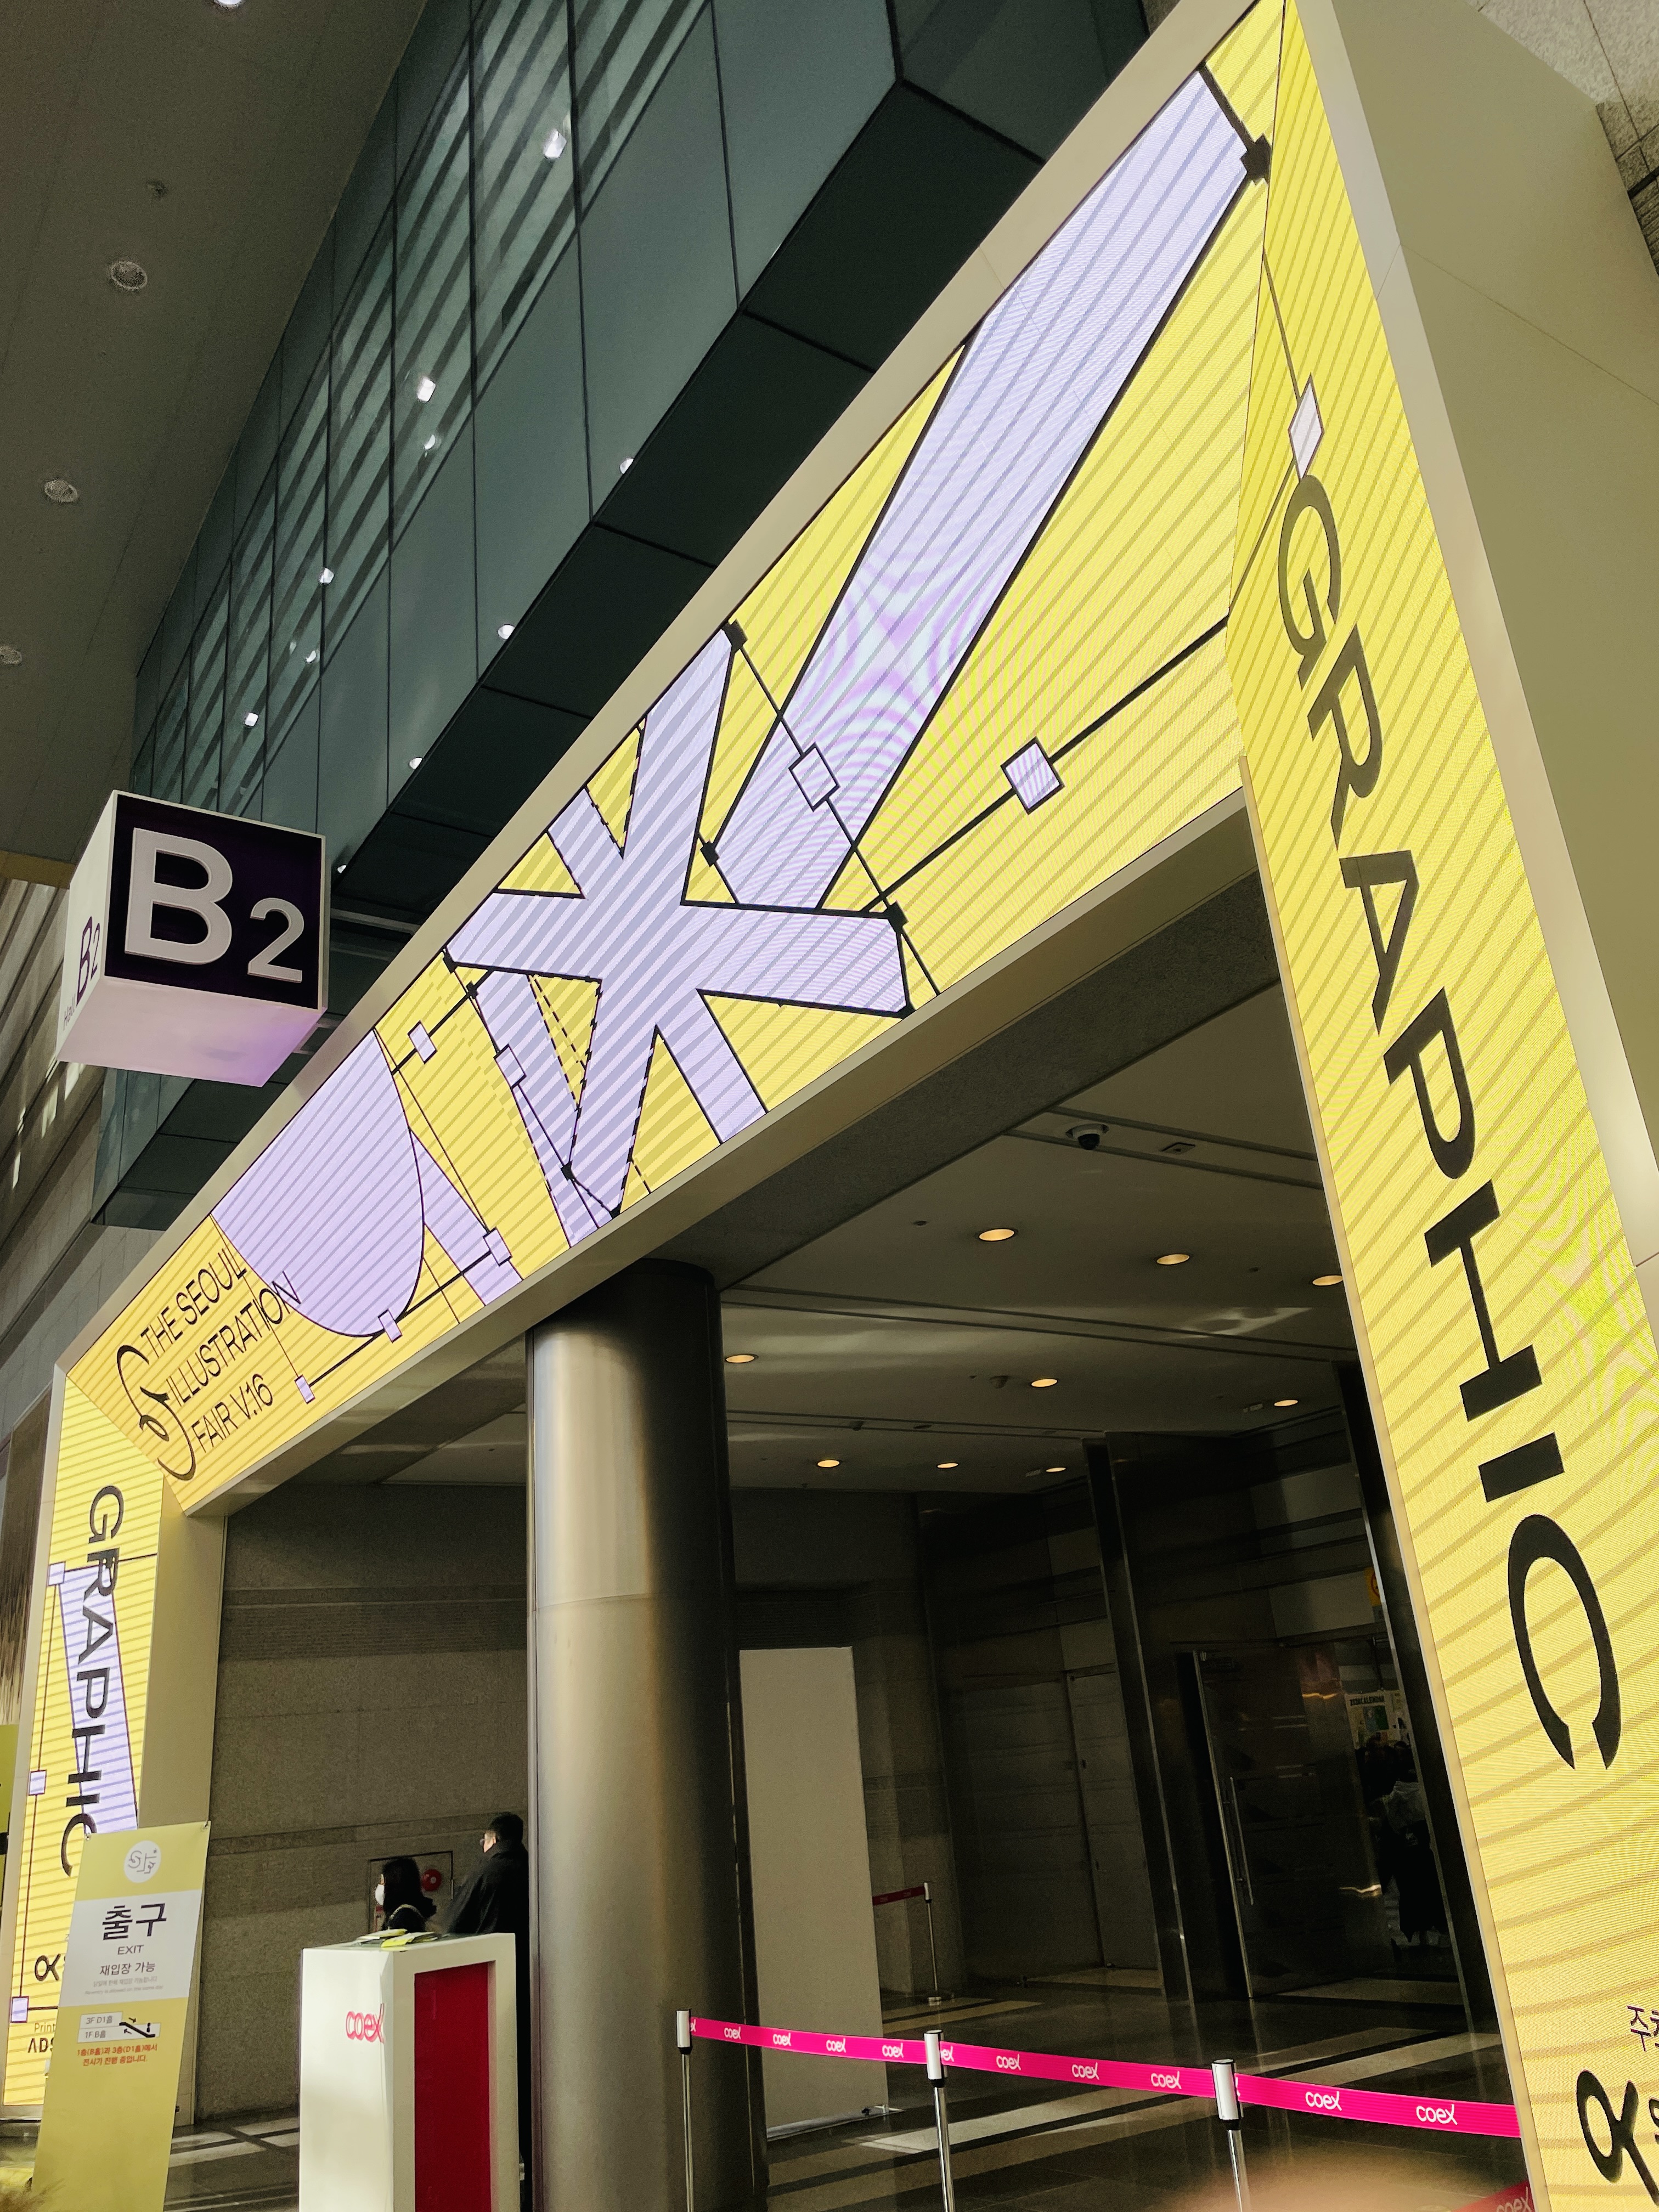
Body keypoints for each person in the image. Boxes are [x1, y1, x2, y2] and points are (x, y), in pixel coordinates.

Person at [450, 1814, 532, 2202]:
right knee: (531, 2082)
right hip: (538, 1989)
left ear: (493, 1839)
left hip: (494, 1990)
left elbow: (454, 1926)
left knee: (498, 2082)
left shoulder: (485, 1873)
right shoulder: (539, 1869)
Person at [376, 1855, 436, 1936]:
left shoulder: (404, 1916)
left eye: (383, 1882)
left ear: (394, 1884)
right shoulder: (409, 1912)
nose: (381, 1886)